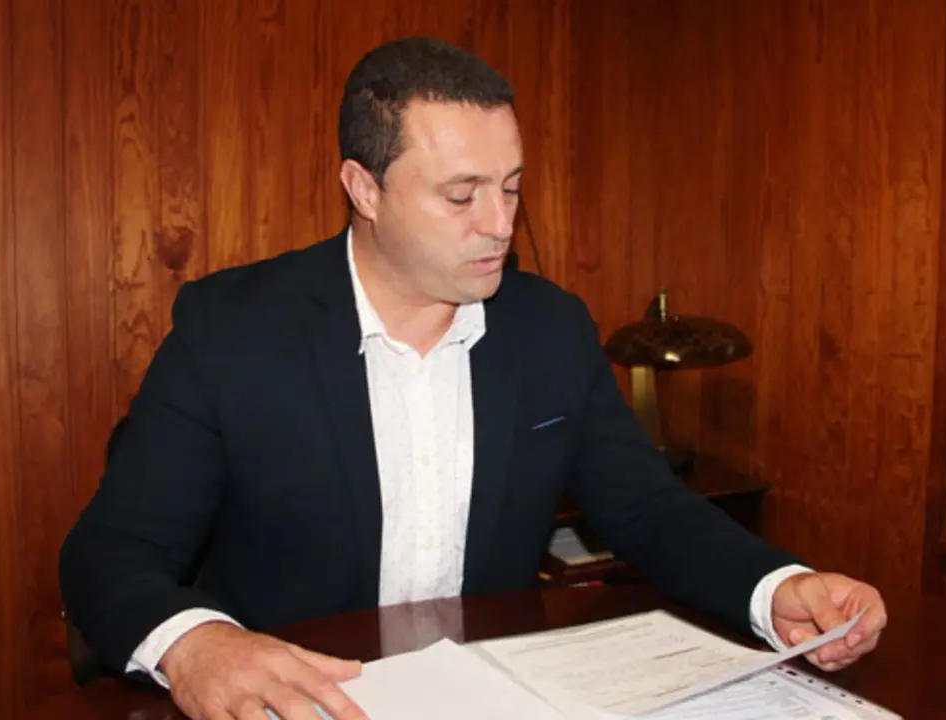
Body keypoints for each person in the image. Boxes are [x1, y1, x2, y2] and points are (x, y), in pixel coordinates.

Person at [60, 36, 888, 720]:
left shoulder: (550, 328)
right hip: (302, 701)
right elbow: (112, 549)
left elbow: (647, 510)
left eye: (512, 188)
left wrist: (776, 586)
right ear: (364, 189)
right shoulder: (233, 331)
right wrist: (197, 645)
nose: (500, 225)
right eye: (462, 196)